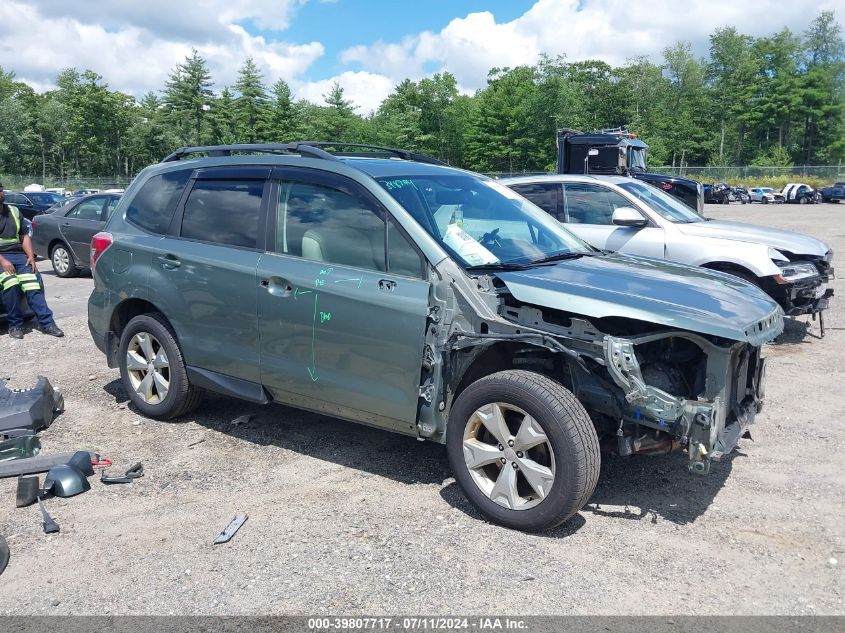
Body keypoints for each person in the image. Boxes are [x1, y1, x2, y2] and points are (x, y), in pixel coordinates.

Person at [0, 182, 63, 339]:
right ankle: (15, 325)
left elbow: (24, 236)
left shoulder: (13, 211)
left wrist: (30, 256)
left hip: (18, 255)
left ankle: (47, 323)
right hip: (1, 257)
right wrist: (3, 261)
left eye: (0, 190)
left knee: (32, 283)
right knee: (11, 282)